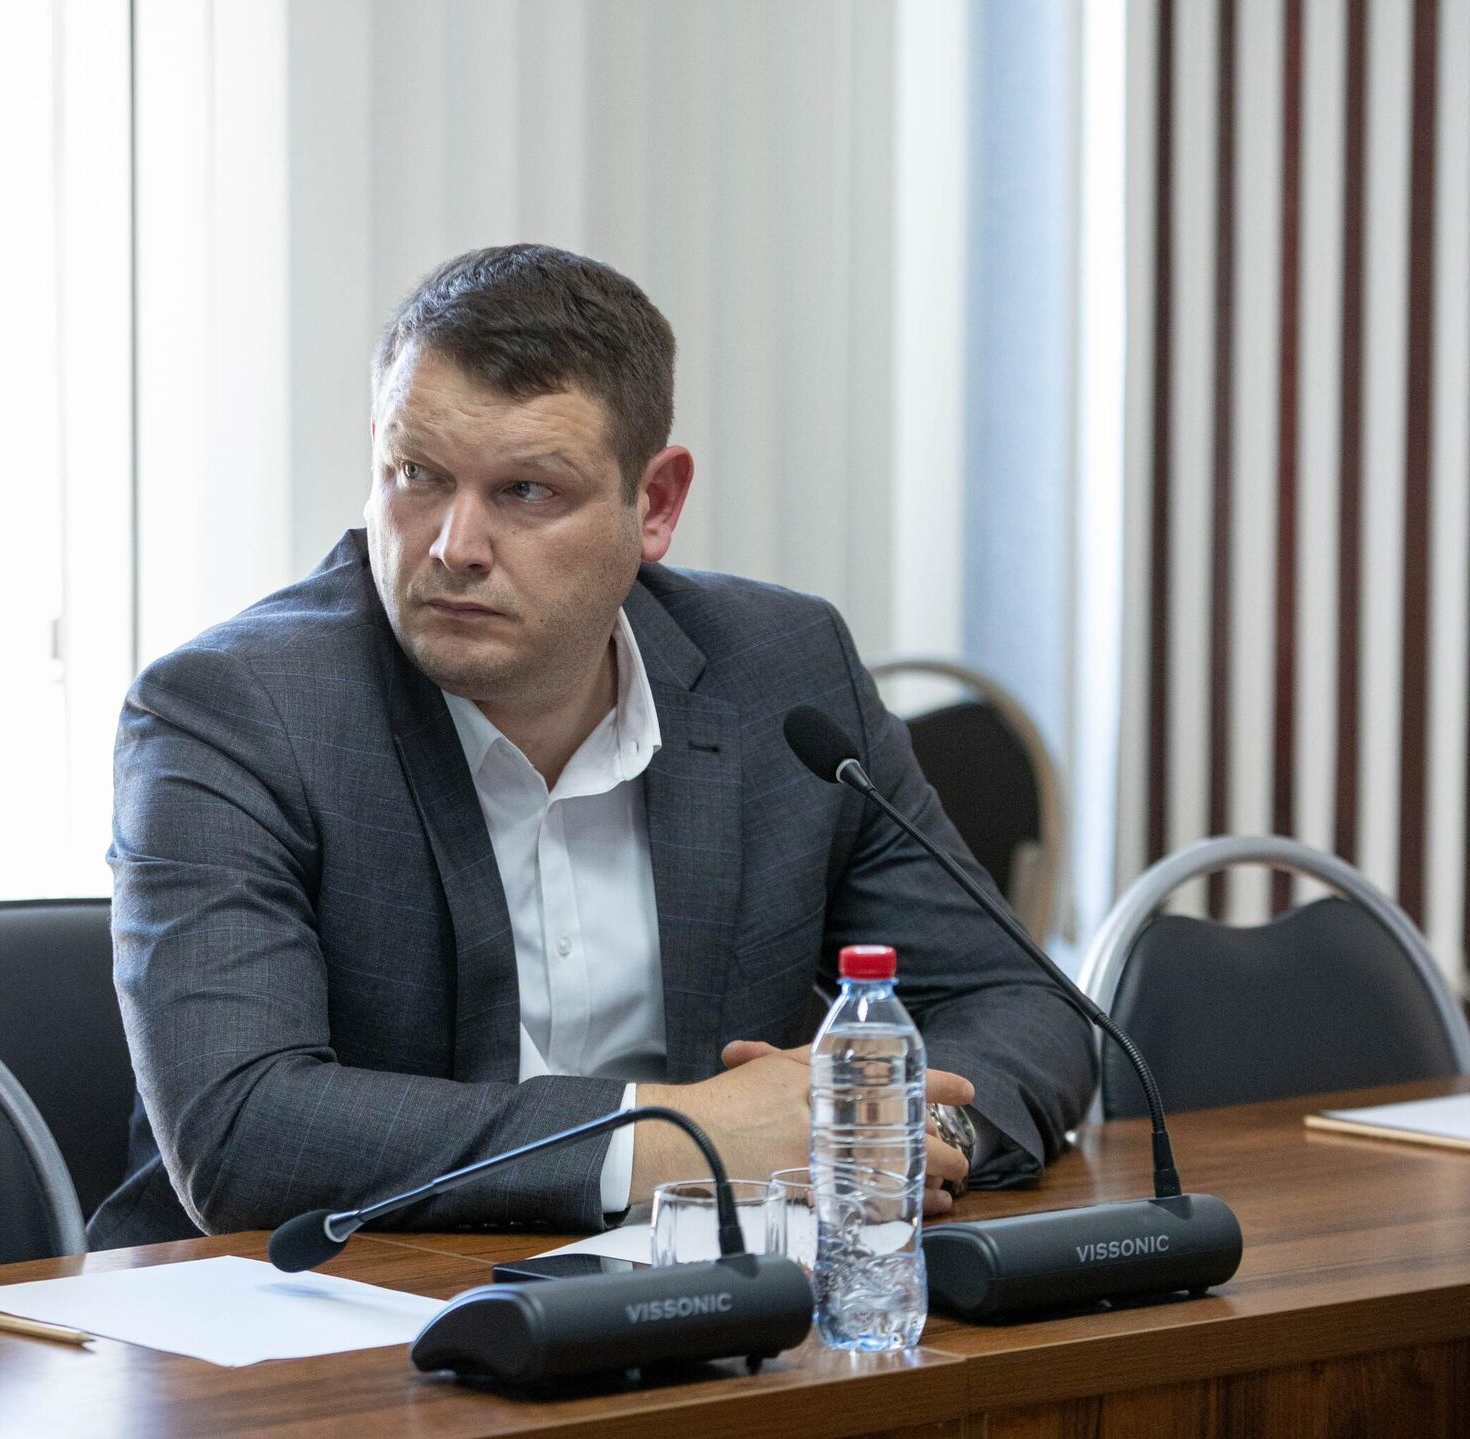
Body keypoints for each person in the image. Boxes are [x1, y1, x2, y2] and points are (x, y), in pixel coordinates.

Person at [88, 244, 1095, 1249]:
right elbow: (242, 1129)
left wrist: (898, 1131)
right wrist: (683, 1137)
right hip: (315, 1305)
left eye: (526, 490)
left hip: (696, 1296)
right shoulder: (234, 711)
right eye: (417, 474)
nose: (454, 546)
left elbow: (1014, 1000)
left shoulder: (782, 672)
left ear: (655, 504)